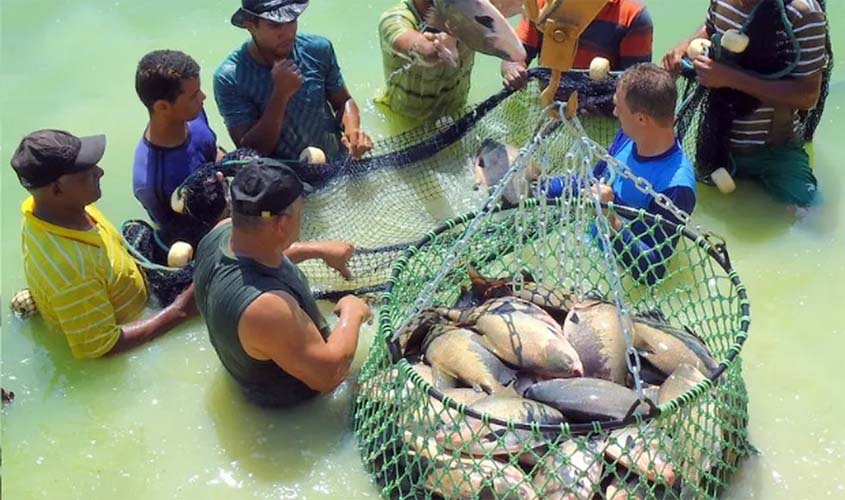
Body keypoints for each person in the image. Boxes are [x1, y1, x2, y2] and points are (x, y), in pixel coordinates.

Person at [193, 159, 371, 407]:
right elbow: (330, 375)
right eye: (300, 211)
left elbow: (256, 265)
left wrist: (317, 250)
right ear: (282, 223)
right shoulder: (267, 309)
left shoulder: (219, 234)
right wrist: (353, 312)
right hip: (297, 408)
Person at [11, 130, 197, 359]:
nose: (100, 172)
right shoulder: (71, 269)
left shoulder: (49, 208)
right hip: (128, 337)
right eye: (87, 173)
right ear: (57, 189)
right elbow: (103, 347)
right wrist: (180, 311)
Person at [662, 0, 829, 208]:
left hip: (776, 149)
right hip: (717, 142)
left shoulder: (803, 13)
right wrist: (684, 48)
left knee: (807, 212)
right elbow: (710, 28)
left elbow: (808, 96)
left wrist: (730, 78)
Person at [543, 64, 695, 284]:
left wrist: (609, 219)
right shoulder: (628, 136)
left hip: (618, 276)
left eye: (618, 107)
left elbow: (652, 272)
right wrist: (539, 187)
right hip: (590, 248)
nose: (614, 113)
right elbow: (592, 181)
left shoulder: (675, 186)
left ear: (641, 119)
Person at [214, 0, 373, 163]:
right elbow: (251, 152)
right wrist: (280, 95)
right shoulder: (230, 78)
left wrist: (353, 130)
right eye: (274, 26)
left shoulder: (318, 49)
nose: (288, 33)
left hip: (337, 163)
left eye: (292, 21)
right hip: (283, 179)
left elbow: (343, 101)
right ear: (250, 26)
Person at [133, 49, 225, 246]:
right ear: (162, 107)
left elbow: (211, 150)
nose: (203, 97)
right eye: (194, 95)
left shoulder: (191, 112)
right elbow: (179, 237)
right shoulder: (153, 184)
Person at [502, 0, 653, 91]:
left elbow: (635, 85)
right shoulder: (543, 6)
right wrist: (514, 70)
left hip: (604, 114)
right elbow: (514, 55)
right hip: (548, 104)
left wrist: (601, 102)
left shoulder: (633, 16)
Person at [376, 0, 474, 120]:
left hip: (457, 114)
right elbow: (422, 50)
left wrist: (505, 67)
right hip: (406, 119)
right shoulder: (394, 19)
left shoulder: (473, 11)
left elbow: (502, 35)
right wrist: (442, 45)